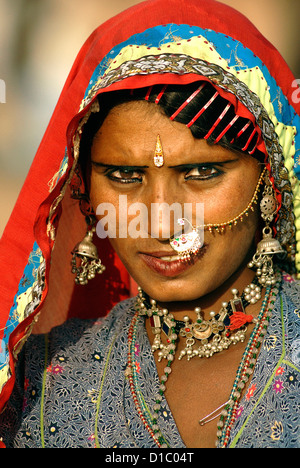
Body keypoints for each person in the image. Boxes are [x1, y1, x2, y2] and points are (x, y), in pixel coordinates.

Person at [0, 0, 299, 449]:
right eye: (123, 176)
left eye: (202, 173)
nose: (160, 221)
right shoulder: (43, 383)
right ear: (80, 187)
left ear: (270, 178)